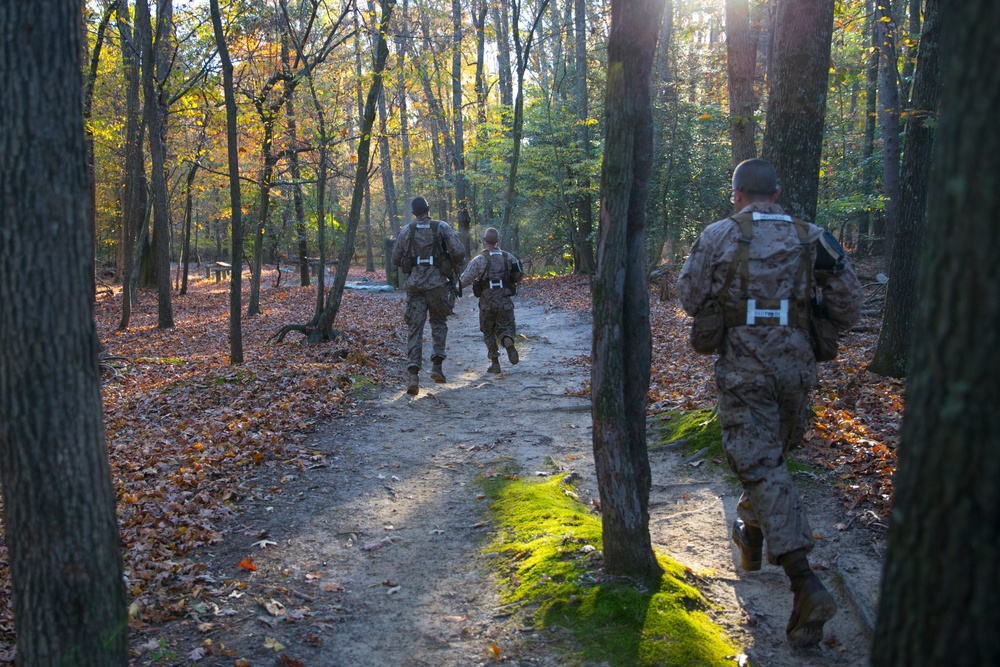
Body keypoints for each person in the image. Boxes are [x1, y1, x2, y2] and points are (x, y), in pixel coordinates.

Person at [676, 159, 862, 648]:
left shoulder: (720, 234)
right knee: (769, 461)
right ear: (776, 193)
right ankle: (751, 534)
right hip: (797, 369)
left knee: (760, 465)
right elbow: (849, 307)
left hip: (745, 368)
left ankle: (805, 582)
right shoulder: (813, 236)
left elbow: (690, 297)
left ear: (736, 194)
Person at [391, 196, 467, 395]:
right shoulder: (442, 227)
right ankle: (437, 367)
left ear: (414, 213)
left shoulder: (406, 230)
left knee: (415, 329)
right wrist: (448, 261)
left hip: (415, 285)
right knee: (439, 323)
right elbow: (459, 251)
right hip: (437, 285)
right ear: (428, 209)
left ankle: (413, 375)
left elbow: (395, 258)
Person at [460, 227, 523, 373]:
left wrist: (453, 288)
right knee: (507, 326)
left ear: (484, 240)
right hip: (504, 299)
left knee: (488, 331)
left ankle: (495, 363)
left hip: (487, 301)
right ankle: (507, 339)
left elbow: (465, 279)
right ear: (497, 241)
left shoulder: (479, 260)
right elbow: (519, 275)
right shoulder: (509, 257)